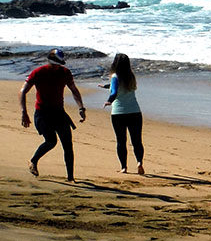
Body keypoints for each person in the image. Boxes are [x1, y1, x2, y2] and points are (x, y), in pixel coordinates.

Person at [19, 48, 86, 182]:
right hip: (42, 114)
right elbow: (22, 91)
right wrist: (24, 113)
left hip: (59, 113)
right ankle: (33, 160)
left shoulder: (65, 72)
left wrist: (81, 107)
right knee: (51, 141)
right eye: (55, 63)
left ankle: (70, 177)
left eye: (59, 64)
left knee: (68, 145)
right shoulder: (38, 72)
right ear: (49, 61)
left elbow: (74, 90)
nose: (57, 66)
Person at [100, 53, 144, 175]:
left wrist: (109, 100)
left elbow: (114, 91)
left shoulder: (115, 76)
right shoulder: (131, 76)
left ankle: (124, 167)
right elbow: (119, 87)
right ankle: (139, 162)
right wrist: (105, 86)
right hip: (135, 112)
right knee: (137, 141)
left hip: (119, 113)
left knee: (121, 141)